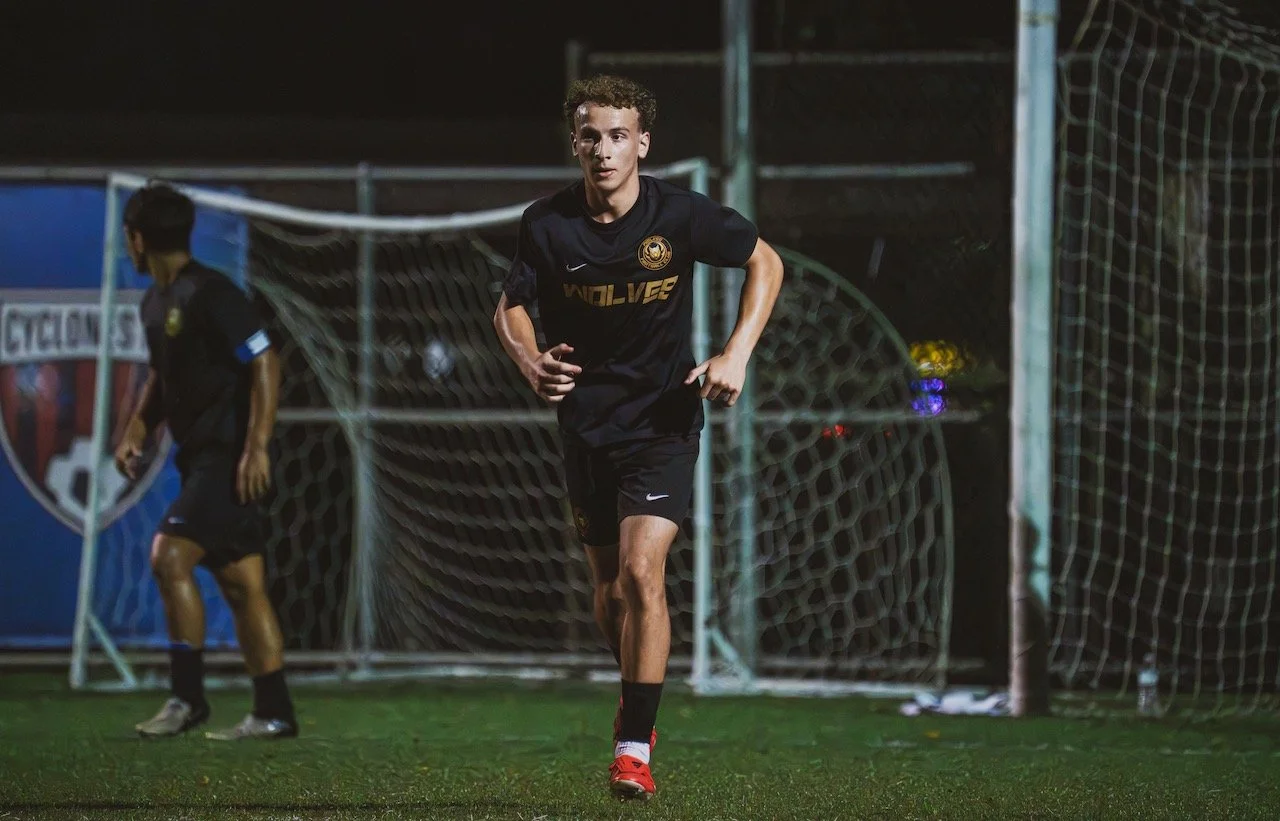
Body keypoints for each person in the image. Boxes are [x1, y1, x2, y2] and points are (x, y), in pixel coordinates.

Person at [493, 75, 784, 799]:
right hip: (586, 424)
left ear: (642, 144)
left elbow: (765, 262)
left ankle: (632, 749)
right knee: (607, 593)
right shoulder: (547, 223)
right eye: (590, 135)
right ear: (575, 143)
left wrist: (736, 352)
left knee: (641, 571)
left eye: (618, 135)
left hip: (663, 419)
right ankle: (638, 694)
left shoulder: (679, 217)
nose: (604, 149)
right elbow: (511, 305)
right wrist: (532, 362)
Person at [115, 182, 298, 740]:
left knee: (168, 558)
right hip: (200, 462)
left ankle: (186, 699)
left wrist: (256, 446)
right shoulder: (156, 303)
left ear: (138, 238)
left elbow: (265, 360)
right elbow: (162, 376)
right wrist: (138, 428)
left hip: (229, 461)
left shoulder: (210, 293)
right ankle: (274, 712)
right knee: (244, 588)